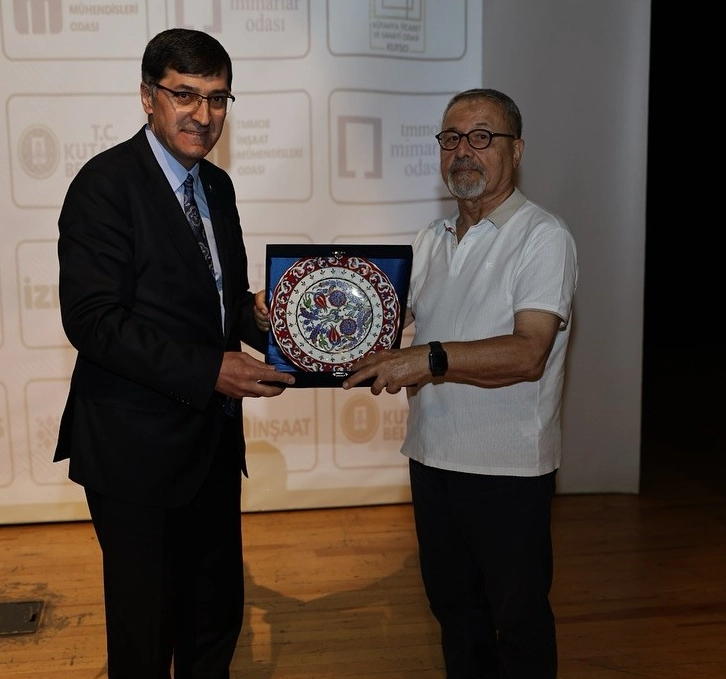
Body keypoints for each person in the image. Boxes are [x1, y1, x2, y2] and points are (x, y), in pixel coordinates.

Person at [259, 88, 577, 677]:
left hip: (507, 469)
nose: (464, 151)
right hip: (431, 459)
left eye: (481, 137)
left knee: (519, 622)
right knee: (455, 613)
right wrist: (290, 310)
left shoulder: (542, 236)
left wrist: (426, 360)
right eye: (451, 138)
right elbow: (378, 327)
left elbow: (529, 352)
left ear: (516, 150)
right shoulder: (432, 238)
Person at [54, 28, 295, 679]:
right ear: (147, 97)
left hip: (211, 445)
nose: (203, 114)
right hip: (134, 452)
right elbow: (93, 322)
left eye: (217, 98)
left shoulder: (216, 186)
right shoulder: (104, 185)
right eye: (184, 94)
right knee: (145, 634)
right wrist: (210, 368)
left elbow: (218, 305)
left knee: (213, 621)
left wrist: (264, 317)